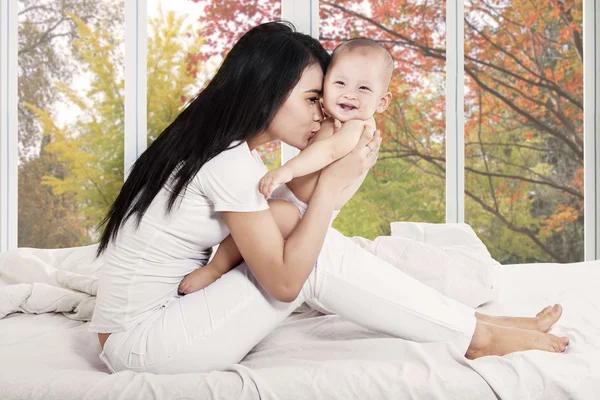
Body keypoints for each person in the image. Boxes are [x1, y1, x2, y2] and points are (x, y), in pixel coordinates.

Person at [89, 21, 568, 375]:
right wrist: (330, 193)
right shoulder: (228, 162)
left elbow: (291, 207)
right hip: (147, 346)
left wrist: (337, 172)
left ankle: (471, 323)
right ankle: (477, 336)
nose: (323, 114)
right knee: (313, 257)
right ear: (266, 95)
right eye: (312, 99)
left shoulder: (219, 147)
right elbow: (284, 283)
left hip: (144, 331)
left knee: (302, 231)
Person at [178, 38, 393, 295]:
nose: (349, 94)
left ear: (382, 101)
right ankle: (223, 270)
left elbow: (328, 151)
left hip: (302, 210)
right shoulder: (332, 119)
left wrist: (287, 170)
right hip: (295, 201)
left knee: (270, 218)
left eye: (364, 89)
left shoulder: (357, 126)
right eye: (340, 83)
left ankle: (214, 269)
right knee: (256, 230)